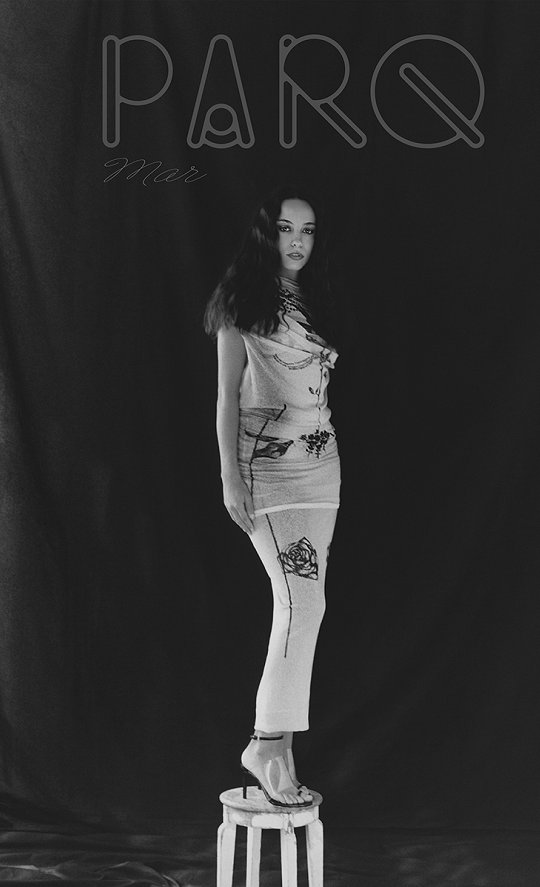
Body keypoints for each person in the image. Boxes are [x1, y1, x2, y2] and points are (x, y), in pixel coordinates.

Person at [203, 185, 342, 807]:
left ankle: (279, 751)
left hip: (321, 467)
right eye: (287, 228)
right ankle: (264, 745)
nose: (298, 241)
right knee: (299, 605)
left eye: (307, 230)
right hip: (268, 470)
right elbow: (227, 396)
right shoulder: (242, 302)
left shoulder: (311, 300)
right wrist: (229, 477)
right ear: (267, 233)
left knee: (306, 606)